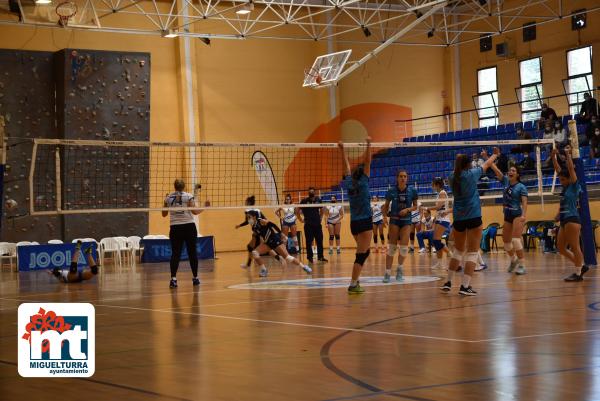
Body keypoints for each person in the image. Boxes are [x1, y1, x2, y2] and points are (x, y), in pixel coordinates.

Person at [440, 147, 499, 296]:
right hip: (473, 216)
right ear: (468, 165)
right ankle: (465, 286)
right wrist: (495, 155)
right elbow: (486, 165)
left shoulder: (451, 176)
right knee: (473, 252)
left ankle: (448, 282)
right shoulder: (472, 174)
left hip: (458, 218)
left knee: (458, 251)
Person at [338, 137, 373, 294]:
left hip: (354, 224)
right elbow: (368, 161)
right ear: (363, 174)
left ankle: (355, 279)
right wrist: (369, 143)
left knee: (365, 252)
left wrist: (342, 148)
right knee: (361, 255)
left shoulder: (349, 184)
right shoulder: (364, 182)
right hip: (365, 222)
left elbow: (346, 165)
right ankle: (353, 284)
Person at [551, 146, 589, 282]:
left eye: (562, 179)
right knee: (560, 247)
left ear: (568, 179)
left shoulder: (573, 185)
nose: (561, 181)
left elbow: (571, 170)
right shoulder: (565, 187)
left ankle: (578, 273)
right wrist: (553, 156)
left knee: (574, 246)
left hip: (573, 219)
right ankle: (582, 265)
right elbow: (558, 170)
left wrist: (567, 154)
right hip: (564, 219)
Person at [162, 179, 208, 288]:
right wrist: (205, 207)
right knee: (192, 253)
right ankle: (195, 278)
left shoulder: (168, 198)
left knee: (175, 254)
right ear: (184, 186)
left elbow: (164, 214)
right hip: (188, 227)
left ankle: (173, 279)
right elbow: (195, 212)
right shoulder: (188, 196)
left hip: (175, 227)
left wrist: (165, 202)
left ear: (174, 186)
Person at [488, 154, 528, 275]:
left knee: (516, 240)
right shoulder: (505, 181)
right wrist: (487, 157)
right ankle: (513, 260)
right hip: (507, 215)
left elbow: (525, 202)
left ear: (517, 174)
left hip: (517, 215)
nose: (510, 172)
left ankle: (522, 265)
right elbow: (495, 169)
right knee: (506, 243)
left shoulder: (521, 187)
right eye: (510, 170)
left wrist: (523, 215)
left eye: (513, 170)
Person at [246, 210, 312, 277]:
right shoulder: (253, 227)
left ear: (254, 217)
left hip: (275, 240)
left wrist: (281, 234)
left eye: (249, 217)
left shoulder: (260, 221)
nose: (248, 219)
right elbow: (260, 236)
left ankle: (304, 267)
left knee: (287, 257)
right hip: (267, 243)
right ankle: (264, 270)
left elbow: (273, 225)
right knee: (255, 253)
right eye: (248, 217)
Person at [382, 170, 418, 283]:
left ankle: (399, 271)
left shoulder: (412, 190)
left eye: (405, 176)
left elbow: (415, 206)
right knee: (392, 248)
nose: (403, 178)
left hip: (406, 221)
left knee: (403, 248)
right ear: (397, 178)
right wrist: (384, 217)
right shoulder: (391, 191)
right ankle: (387, 273)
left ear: (407, 178)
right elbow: (386, 206)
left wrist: (407, 209)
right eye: (401, 176)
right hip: (394, 221)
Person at [236, 195, 283, 268]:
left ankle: (257, 266)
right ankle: (279, 258)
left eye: (246, 201)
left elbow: (247, 221)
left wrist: (240, 225)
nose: (245, 202)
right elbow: (264, 219)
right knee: (257, 247)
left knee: (258, 248)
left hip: (258, 232)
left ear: (248, 202)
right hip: (261, 231)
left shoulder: (247, 211)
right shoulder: (258, 210)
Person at [425, 177, 453, 269]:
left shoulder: (442, 193)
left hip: (444, 219)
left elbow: (438, 207)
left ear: (437, 184)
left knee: (436, 240)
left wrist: (427, 208)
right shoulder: (439, 194)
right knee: (435, 240)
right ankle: (440, 262)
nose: (432, 185)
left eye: (433, 183)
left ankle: (450, 253)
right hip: (439, 218)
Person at [296, 187, 328, 264]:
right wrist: (300, 219)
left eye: (312, 192)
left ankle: (320, 257)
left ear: (314, 192)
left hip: (317, 224)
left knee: (319, 241)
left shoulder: (318, 200)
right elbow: (297, 210)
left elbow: (323, 209)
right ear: (308, 193)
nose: (311, 193)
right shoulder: (304, 201)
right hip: (308, 225)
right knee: (309, 241)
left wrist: (320, 217)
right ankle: (310, 257)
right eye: (310, 192)